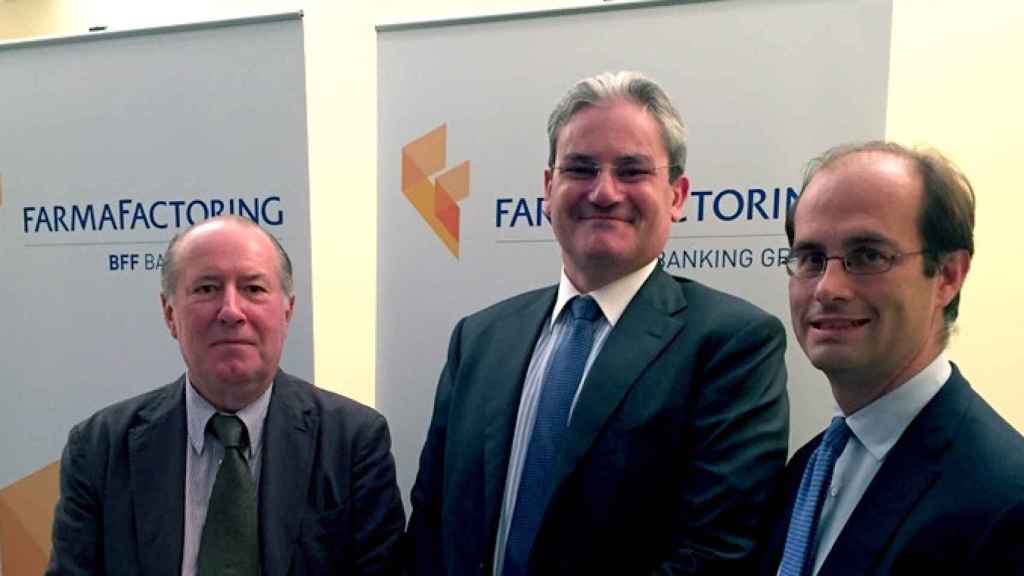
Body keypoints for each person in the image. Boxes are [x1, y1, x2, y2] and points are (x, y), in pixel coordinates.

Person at [406, 71, 789, 575]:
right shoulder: (479, 339)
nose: (604, 192)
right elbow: (430, 529)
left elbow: (714, 555)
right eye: (580, 168)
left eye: (632, 171)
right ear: (549, 187)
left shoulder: (732, 346)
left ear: (677, 195)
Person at [47, 215, 405, 575]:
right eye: (206, 288)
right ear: (169, 314)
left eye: (253, 288)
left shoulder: (352, 442)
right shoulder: (100, 448)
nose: (231, 311)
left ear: (287, 312)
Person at [759, 142, 1024, 574]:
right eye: (811, 258)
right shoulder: (805, 470)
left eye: (868, 256)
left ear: (948, 276)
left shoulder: (1005, 501)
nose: (828, 288)